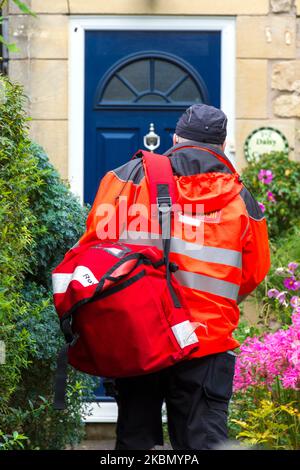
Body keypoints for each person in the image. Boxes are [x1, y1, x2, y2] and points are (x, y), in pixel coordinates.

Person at [78, 104, 271, 450]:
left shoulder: (124, 179)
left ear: (176, 138)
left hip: (138, 338)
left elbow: (94, 250)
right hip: (206, 343)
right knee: (203, 444)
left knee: (136, 443)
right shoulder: (242, 201)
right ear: (222, 147)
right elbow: (254, 272)